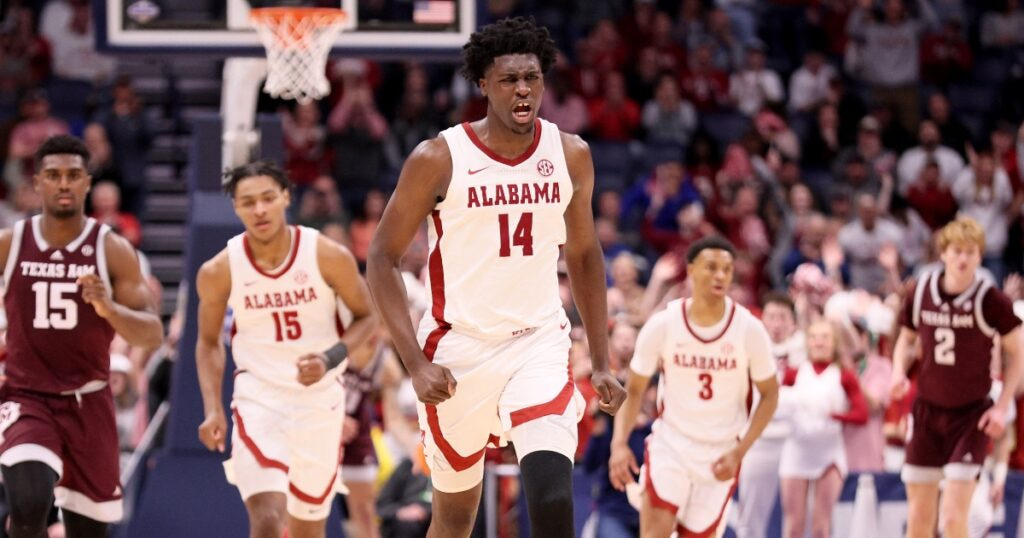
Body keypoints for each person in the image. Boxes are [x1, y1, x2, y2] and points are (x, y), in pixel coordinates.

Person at [365, 17, 626, 538]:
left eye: (532, 77)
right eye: (509, 79)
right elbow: (381, 258)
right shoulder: (439, 158)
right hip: (458, 350)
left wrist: (600, 360)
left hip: (537, 342)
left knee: (552, 498)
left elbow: (583, 254)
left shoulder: (570, 154)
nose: (523, 89)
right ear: (483, 85)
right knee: (455, 519)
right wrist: (415, 364)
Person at [195, 161, 377, 538]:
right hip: (259, 398)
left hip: (319, 401)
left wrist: (329, 358)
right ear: (236, 208)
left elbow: (367, 317)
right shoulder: (219, 270)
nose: (259, 209)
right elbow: (208, 342)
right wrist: (212, 407)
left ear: (286, 197)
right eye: (248, 202)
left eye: (267, 198)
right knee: (267, 518)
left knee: (308, 529)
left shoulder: (326, 254)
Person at [0, 134, 163, 537]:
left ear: (87, 182)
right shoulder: (10, 244)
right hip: (26, 396)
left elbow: (152, 334)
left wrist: (109, 308)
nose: (63, 183)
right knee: (29, 505)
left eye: (73, 175)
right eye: (53, 175)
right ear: (37, 182)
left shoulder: (112, 250)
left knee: (88, 530)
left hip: (89, 399)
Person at [609, 236, 780, 537]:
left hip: (721, 452)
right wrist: (619, 444)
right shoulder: (664, 324)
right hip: (671, 445)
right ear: (690, 270)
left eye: (727, 269)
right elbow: (634, 390)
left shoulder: (749, 329)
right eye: (711, 267)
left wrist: (740, 451)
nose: (720, 275)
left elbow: (770, 394)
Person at [891, 217, 1022, 538]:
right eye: (957, 251)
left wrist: (1002, 406)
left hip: (970, 416)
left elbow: (1018, 353)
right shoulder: (920, 291)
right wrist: (897, 373)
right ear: (943, 253)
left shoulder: (990, 300)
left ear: (980, 256)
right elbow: (905, 339)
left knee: (951, 518)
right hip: (926, 412)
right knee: (919, 519)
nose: (963, 258)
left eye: (970, 252)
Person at [778, 319, 868, 538]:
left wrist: (832, 415)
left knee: (821, 527)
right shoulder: (793, 373)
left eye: (825, 337)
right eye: (814, 337)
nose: (819, 342)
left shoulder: (844, 375)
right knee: (794, 526)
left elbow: (861, 414)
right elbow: (776, 406)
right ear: (807, 342)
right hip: (797, 451)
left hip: (829, 453)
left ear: (834, 342)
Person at [735, 292, 806, 538]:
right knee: (751, 512)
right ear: (762, 319)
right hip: (759, 439)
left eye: (783, 317)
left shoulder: (807, 348)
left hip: (795, 439)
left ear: (793, 322)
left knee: (798, 515)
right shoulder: (746, 350)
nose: (777, 324)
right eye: (772, 317)